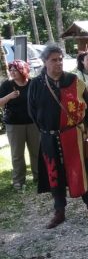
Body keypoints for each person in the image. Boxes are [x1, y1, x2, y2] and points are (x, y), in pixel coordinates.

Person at [28, 45, 88, 229]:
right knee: (55, 174)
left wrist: (86, 131)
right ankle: (59, 212)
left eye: (60, 59)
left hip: (75, 137)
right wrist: (49, 132)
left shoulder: (74, 81)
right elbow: (32, 112)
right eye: (54, 59)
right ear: (45, 62)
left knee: (83, 171)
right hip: (50, 138)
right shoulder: (36, 84)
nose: (58, 62)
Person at [0, 60, 39, 191]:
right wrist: (9, 97)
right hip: (14, 124)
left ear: (23, 70)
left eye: (14, 70)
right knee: (17, 154)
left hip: (33, 123)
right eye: (10, 70)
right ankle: (18, 181)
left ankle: (38, 177)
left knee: (36, 151)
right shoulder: (7, 85)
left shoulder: (33, 83)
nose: (12, 72)